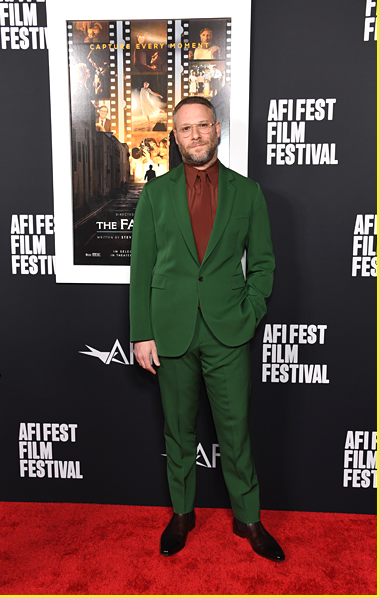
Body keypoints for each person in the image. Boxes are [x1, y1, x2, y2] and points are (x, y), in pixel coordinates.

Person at [130, 96, 285, 562]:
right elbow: (142, 269)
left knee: (235, 430)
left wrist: (250, 310)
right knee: (178, 431)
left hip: (228, 331)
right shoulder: (155, 194)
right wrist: (142, 332)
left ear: (217, 129)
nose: (195, 135)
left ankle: (249, 518)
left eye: (202, 126)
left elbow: (262, 264)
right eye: (185, 129)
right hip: (171, 330)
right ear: (174, 138)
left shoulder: (248, 192)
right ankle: (182, 513)